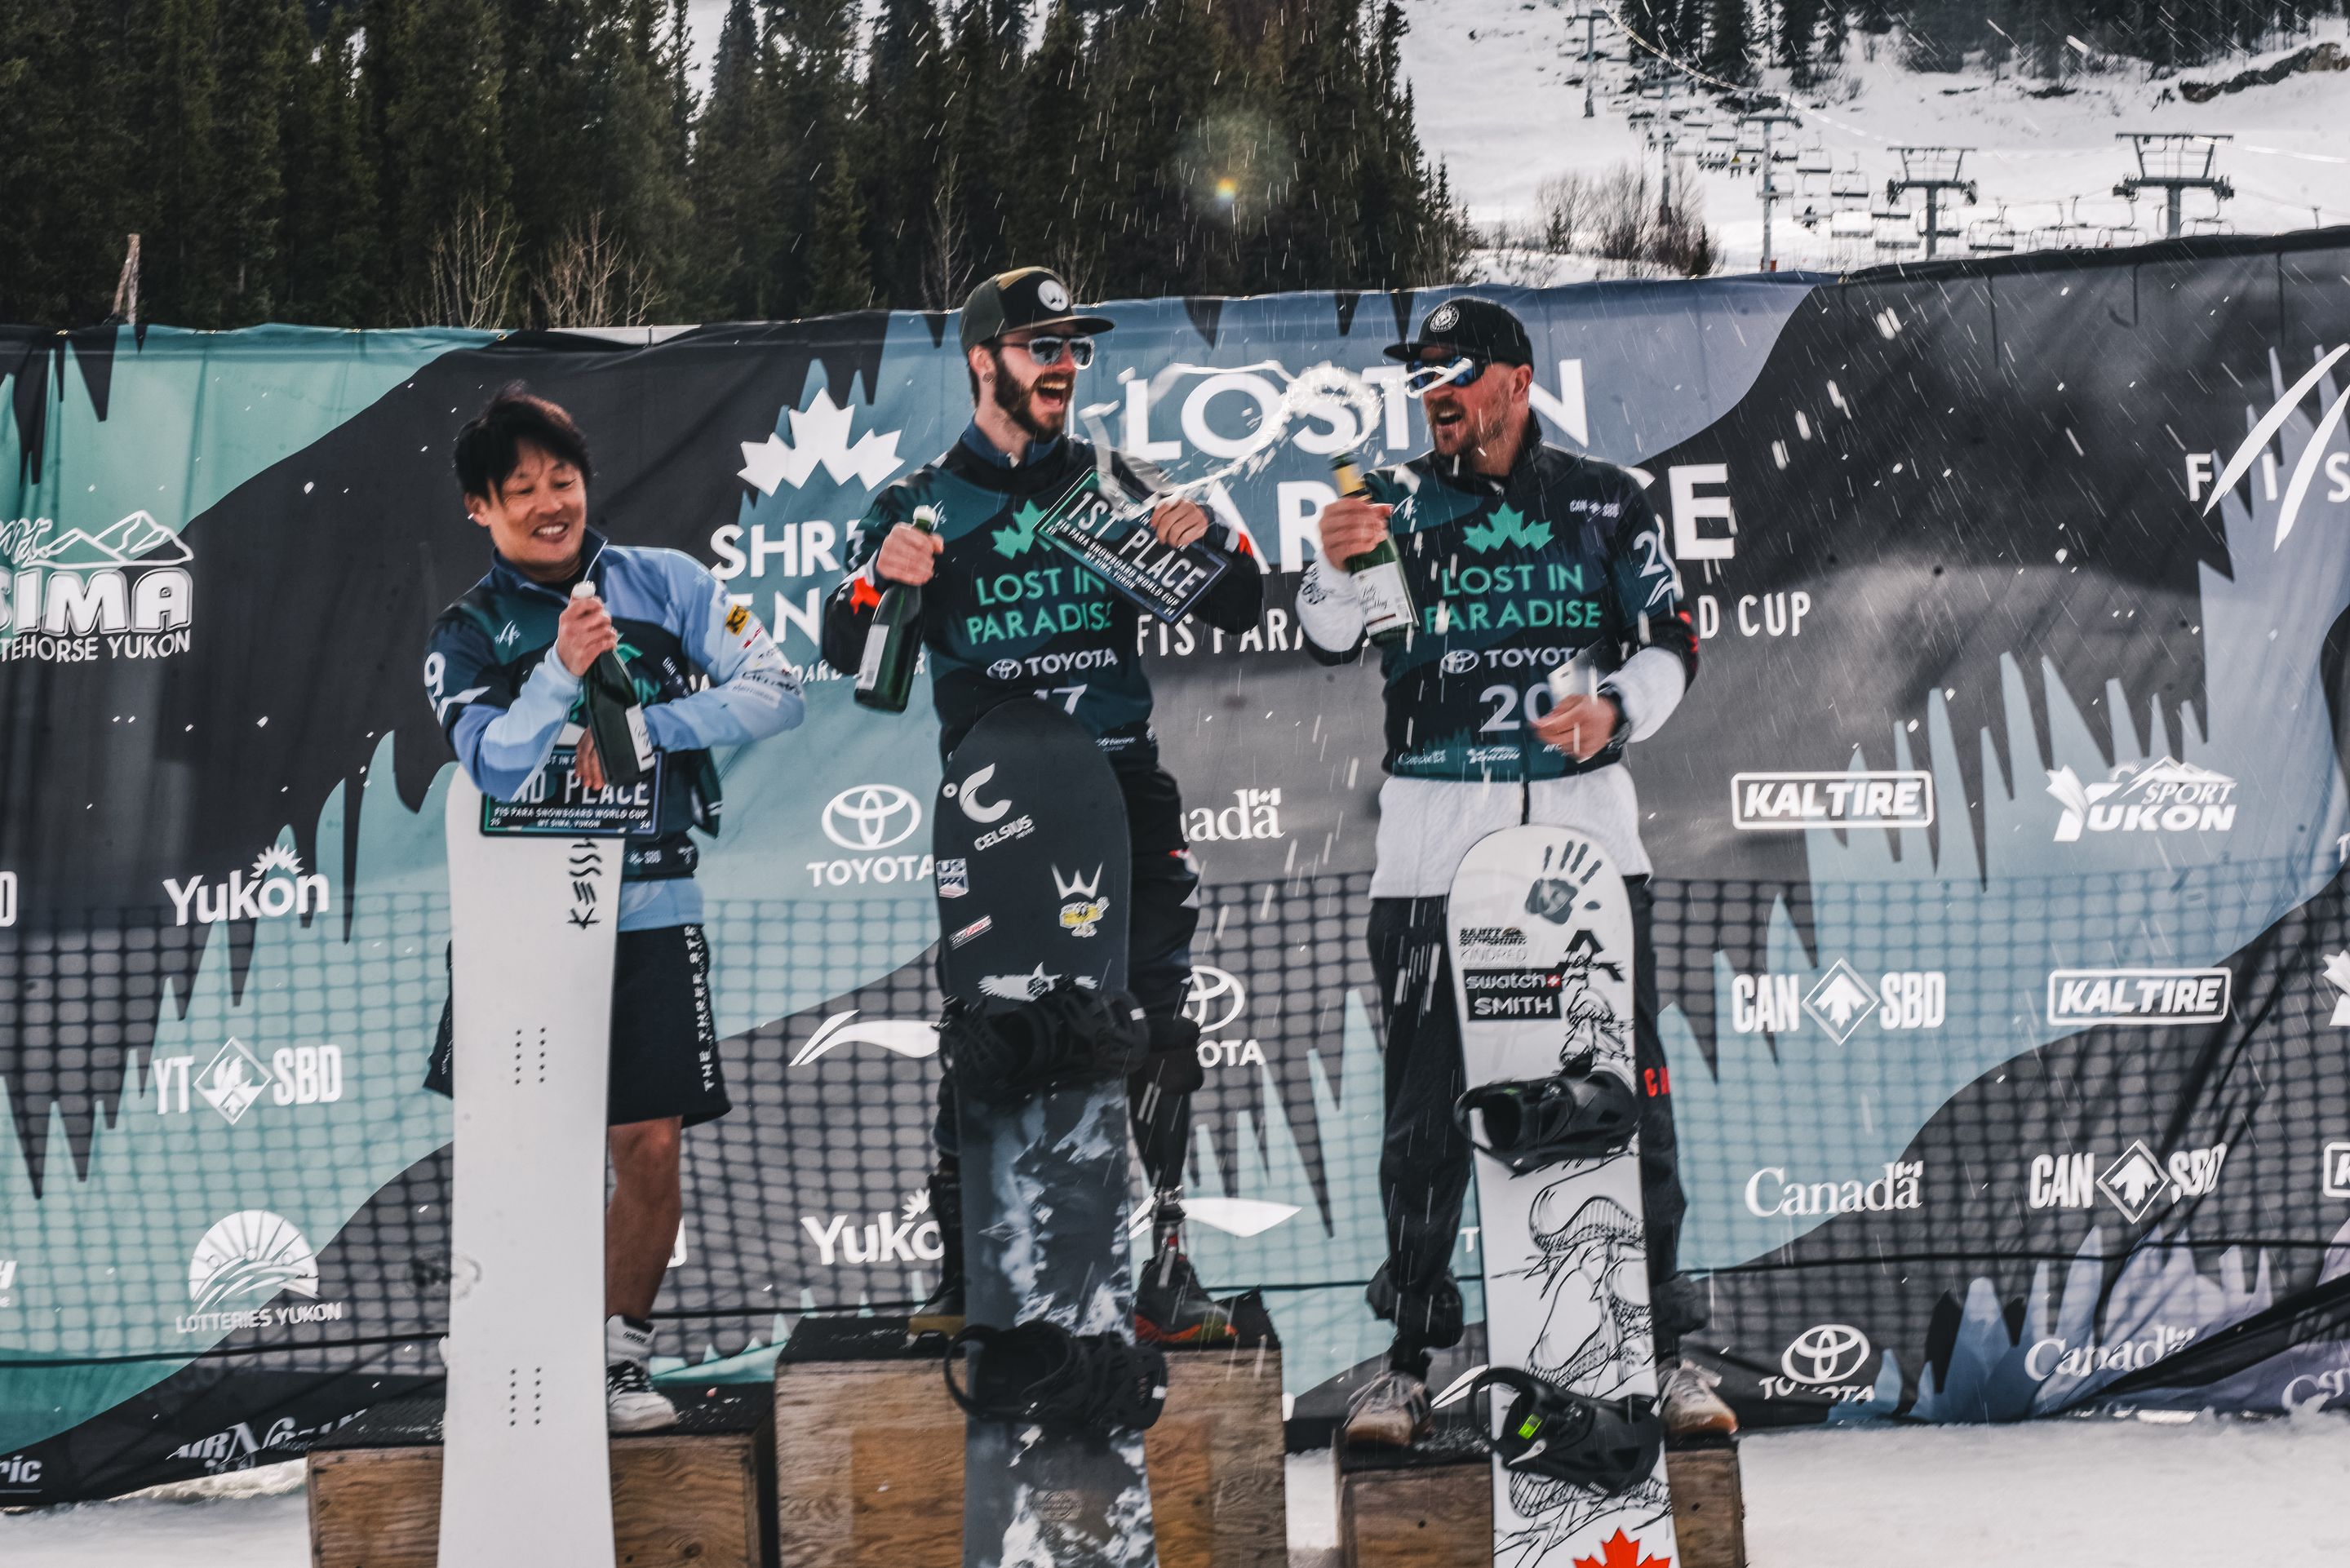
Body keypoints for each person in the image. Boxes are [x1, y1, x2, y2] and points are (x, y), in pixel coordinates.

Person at [1295, 297, 1736, 1446]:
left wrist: (1618, 711)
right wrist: (1333, 566)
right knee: (1422, 1116)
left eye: (1457, 370)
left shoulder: (1604, 498)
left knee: (1625, 1101)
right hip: (1431, 852)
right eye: (1424, 374)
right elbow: (1325, 636)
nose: (1437, 390)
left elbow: (1673, 636)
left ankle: (1666, 1353)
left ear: (1516, 380)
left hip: (1583, 853)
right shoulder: (1383, 500)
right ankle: (1404, 1365)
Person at [821, 266, 1264, 1344]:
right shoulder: (920, 501)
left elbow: (1245, 604)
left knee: (1157, 1013)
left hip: (1117, 777)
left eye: (1074, 349)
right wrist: (883, 578)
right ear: (984, 360)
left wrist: (1204, 536)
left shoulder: (1117, 480)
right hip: (995, 795)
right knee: (990, 1016)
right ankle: (971, 1268)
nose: (1064, 366)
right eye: (1040, 347)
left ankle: (1163, 1260)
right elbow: (846, 646)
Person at [422, 388, 805, 1430]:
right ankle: (509, 1336)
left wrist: (658, 724)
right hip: (520, 929)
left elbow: (779, 688)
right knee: (523, 1148)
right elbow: (494, 764)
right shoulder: (468, 630)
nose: (551, 504)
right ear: (479, 509)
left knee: (650, 1145)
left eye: (564, 481)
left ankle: (617, 1357)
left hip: (650, 905)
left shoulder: (671, 582)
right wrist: (561, 671)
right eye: (523, 491)